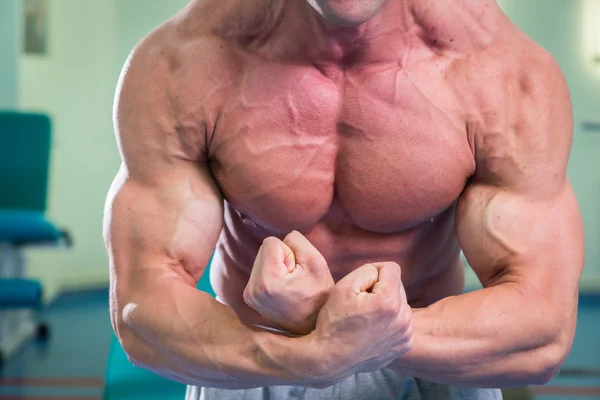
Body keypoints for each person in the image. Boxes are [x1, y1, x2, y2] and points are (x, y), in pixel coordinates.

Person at [103, 0, 585, 398]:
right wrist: (305, 356)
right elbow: (141, 314)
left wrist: (363, 338)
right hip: (253, 364)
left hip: (437, 366)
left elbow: (543, 331)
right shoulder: (182, 64)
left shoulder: (501, 73)